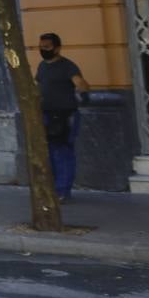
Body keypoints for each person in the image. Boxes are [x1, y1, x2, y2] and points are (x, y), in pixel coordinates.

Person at [35, 32, 91, 203]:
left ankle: (62, 191)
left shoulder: (67, 66)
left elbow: (80, 83)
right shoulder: (42, 66)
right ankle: (55, 189)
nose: (43, 50)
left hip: (65, 115)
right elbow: (38, 85)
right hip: (47, 114)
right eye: (41, 47)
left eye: (47, 47)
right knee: (51, 153)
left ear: (57, 48)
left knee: (62, 153)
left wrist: (84, 95)